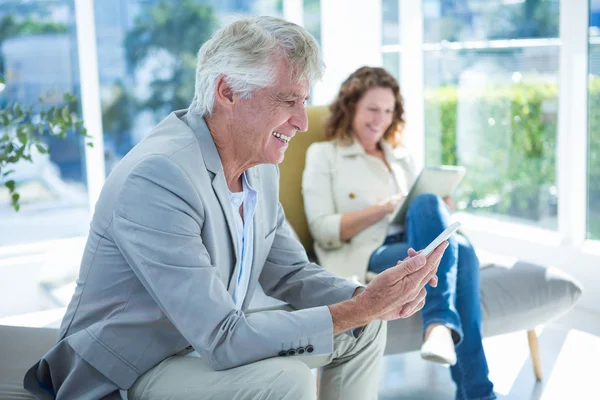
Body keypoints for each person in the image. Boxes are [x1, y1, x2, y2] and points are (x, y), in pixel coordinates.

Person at [23, 18, 448, 400]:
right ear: (228, 91)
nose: (302, 122)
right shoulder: (158, 177)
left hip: (201, 347)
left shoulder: (258, 168)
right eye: (288, 101)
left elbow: (291, 273)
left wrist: (370, 300)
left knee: (365, 328)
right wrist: (359, 307)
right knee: (286, 379)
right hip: (130, 368)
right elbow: (222, 336)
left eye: (304, 101)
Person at [302, 66, 496, 400]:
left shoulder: (400, 157)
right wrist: (384, 207)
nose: (380, 119)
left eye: (388, 111)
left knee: (431, 211)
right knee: (459, 248)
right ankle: (472, 381)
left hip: (413, 243)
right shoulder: (324, 155)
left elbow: (421, 215)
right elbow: (322, 229)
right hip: (369, 252)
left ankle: (440, 330)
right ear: (350, 107)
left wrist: (440, 209)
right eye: (372, 109)